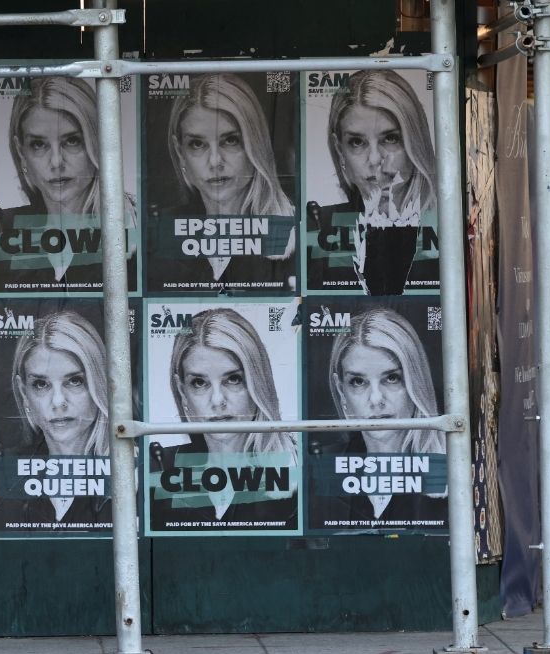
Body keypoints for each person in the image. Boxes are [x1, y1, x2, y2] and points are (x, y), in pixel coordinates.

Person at [150, 307, 297, 526]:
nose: (217, 400)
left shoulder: (298, 470)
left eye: (233, 379)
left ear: (257, 382)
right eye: (199, 383)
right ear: (183, 392)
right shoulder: (159, 467)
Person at [150, 73, 296, 293]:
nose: (215, 161)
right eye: (197, 144)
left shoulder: (295, 230)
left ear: (255, 143)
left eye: (230, 140)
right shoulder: (159, 234)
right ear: (180, 152)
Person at [0, 77, 137, 290]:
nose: (56, 161)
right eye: (38, 144)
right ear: (21, 152)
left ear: (98, 141)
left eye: (72, 141)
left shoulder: (134, 230)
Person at [309, 307, 446, 529]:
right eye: (358, 382)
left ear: (415, 380)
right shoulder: (318, 471)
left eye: (392, 378)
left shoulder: (452, 467)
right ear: (341, 390)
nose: (376, 399)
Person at [306, 70, 438, 295]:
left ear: (415, 140)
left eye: (391, 138)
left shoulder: (445, 222)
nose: (375, 159)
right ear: (340, 150)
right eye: (357, 142)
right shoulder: (320, 224)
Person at [0, 310, 112, 530]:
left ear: (100, 383)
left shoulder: (136, 470)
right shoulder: (0, 476)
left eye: (75, 381)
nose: (58, 401)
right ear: (23, 392)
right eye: (41, 384)